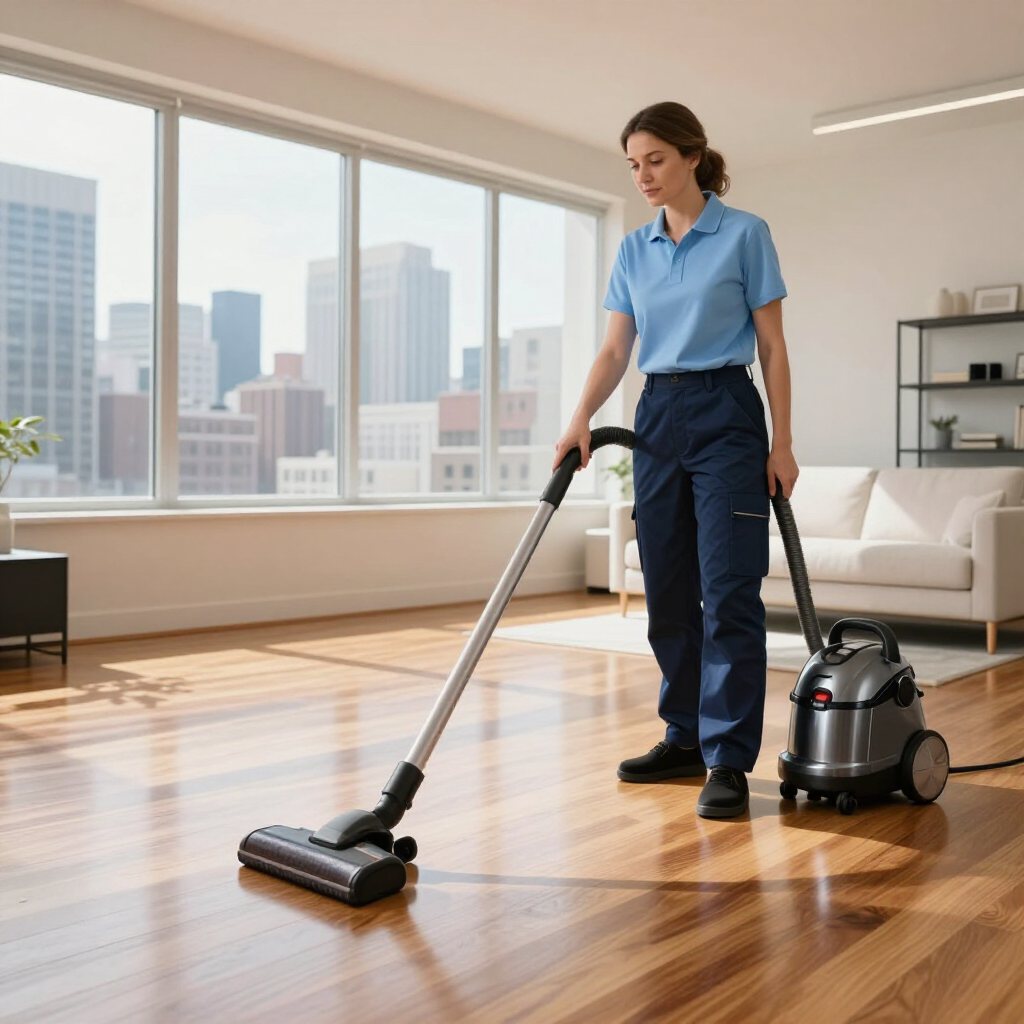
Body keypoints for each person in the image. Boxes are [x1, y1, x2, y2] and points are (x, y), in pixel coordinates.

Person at [553, 102, 799, 819]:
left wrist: (781, 442)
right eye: (633, 165)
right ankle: (685, 735)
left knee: (727, 591)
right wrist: (580, 421)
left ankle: (727, 757)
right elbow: (614, 350)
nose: (644, 176)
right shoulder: (634, 248)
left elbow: (775, 347)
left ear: (693, 156)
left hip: (728, 413)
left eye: (655, 160)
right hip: (656, 414)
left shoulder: (745, 234)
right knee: (665, 591)